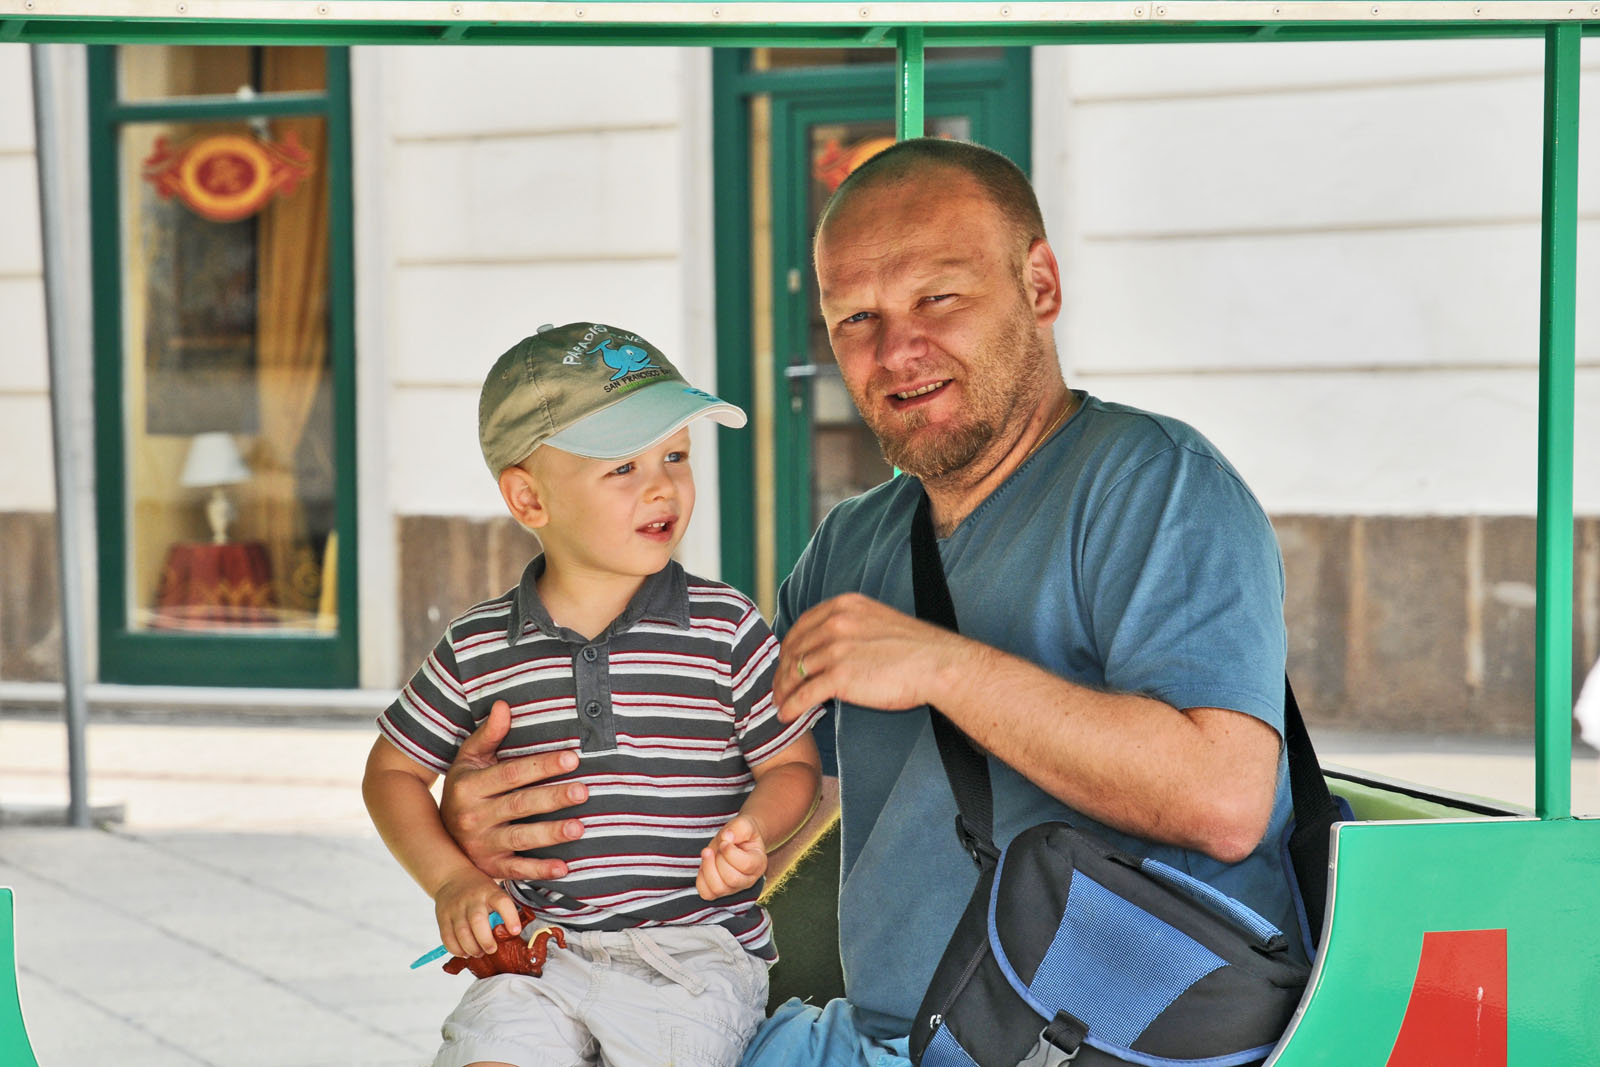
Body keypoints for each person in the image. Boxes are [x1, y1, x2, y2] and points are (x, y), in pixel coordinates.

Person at [437, 141, 1297, 1067]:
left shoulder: (1156, 485)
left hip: (1093, 1038)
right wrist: (504, 824)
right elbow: (772, 793)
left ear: (1039, 285)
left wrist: (939, 664)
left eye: (940, 298)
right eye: (857, 318)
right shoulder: (852, 544)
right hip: (877, 1035)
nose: (897, 351)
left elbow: (1226, 799)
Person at [363, 321, 824, 1067]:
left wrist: (756, 830)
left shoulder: (726, 627)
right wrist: (451, 878)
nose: (662, 484)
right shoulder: (478, 646)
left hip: (692, 960)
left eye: (676, 455)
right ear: (528, 497)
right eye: (622, 467)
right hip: (541, 954)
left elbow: (792, 765)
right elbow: (392, 771)